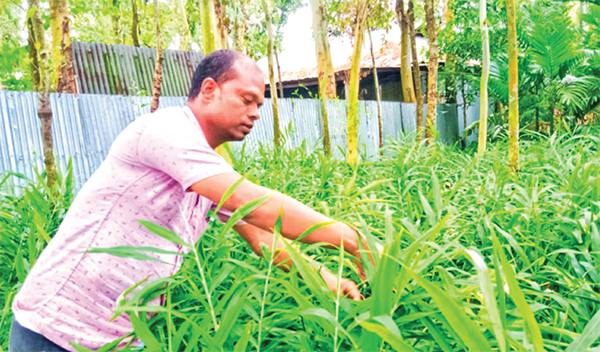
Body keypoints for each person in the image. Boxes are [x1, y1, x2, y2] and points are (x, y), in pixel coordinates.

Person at [9, 50, 371, 352]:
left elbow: (261, 236)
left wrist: (322, 274)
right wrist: (348, 236)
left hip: (117, 338)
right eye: (247, 100)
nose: (256, 113)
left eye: (259, 104)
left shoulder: (206, 169)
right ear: (209, 89)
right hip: (56, 329)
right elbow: (254, 203)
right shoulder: (166, 132)